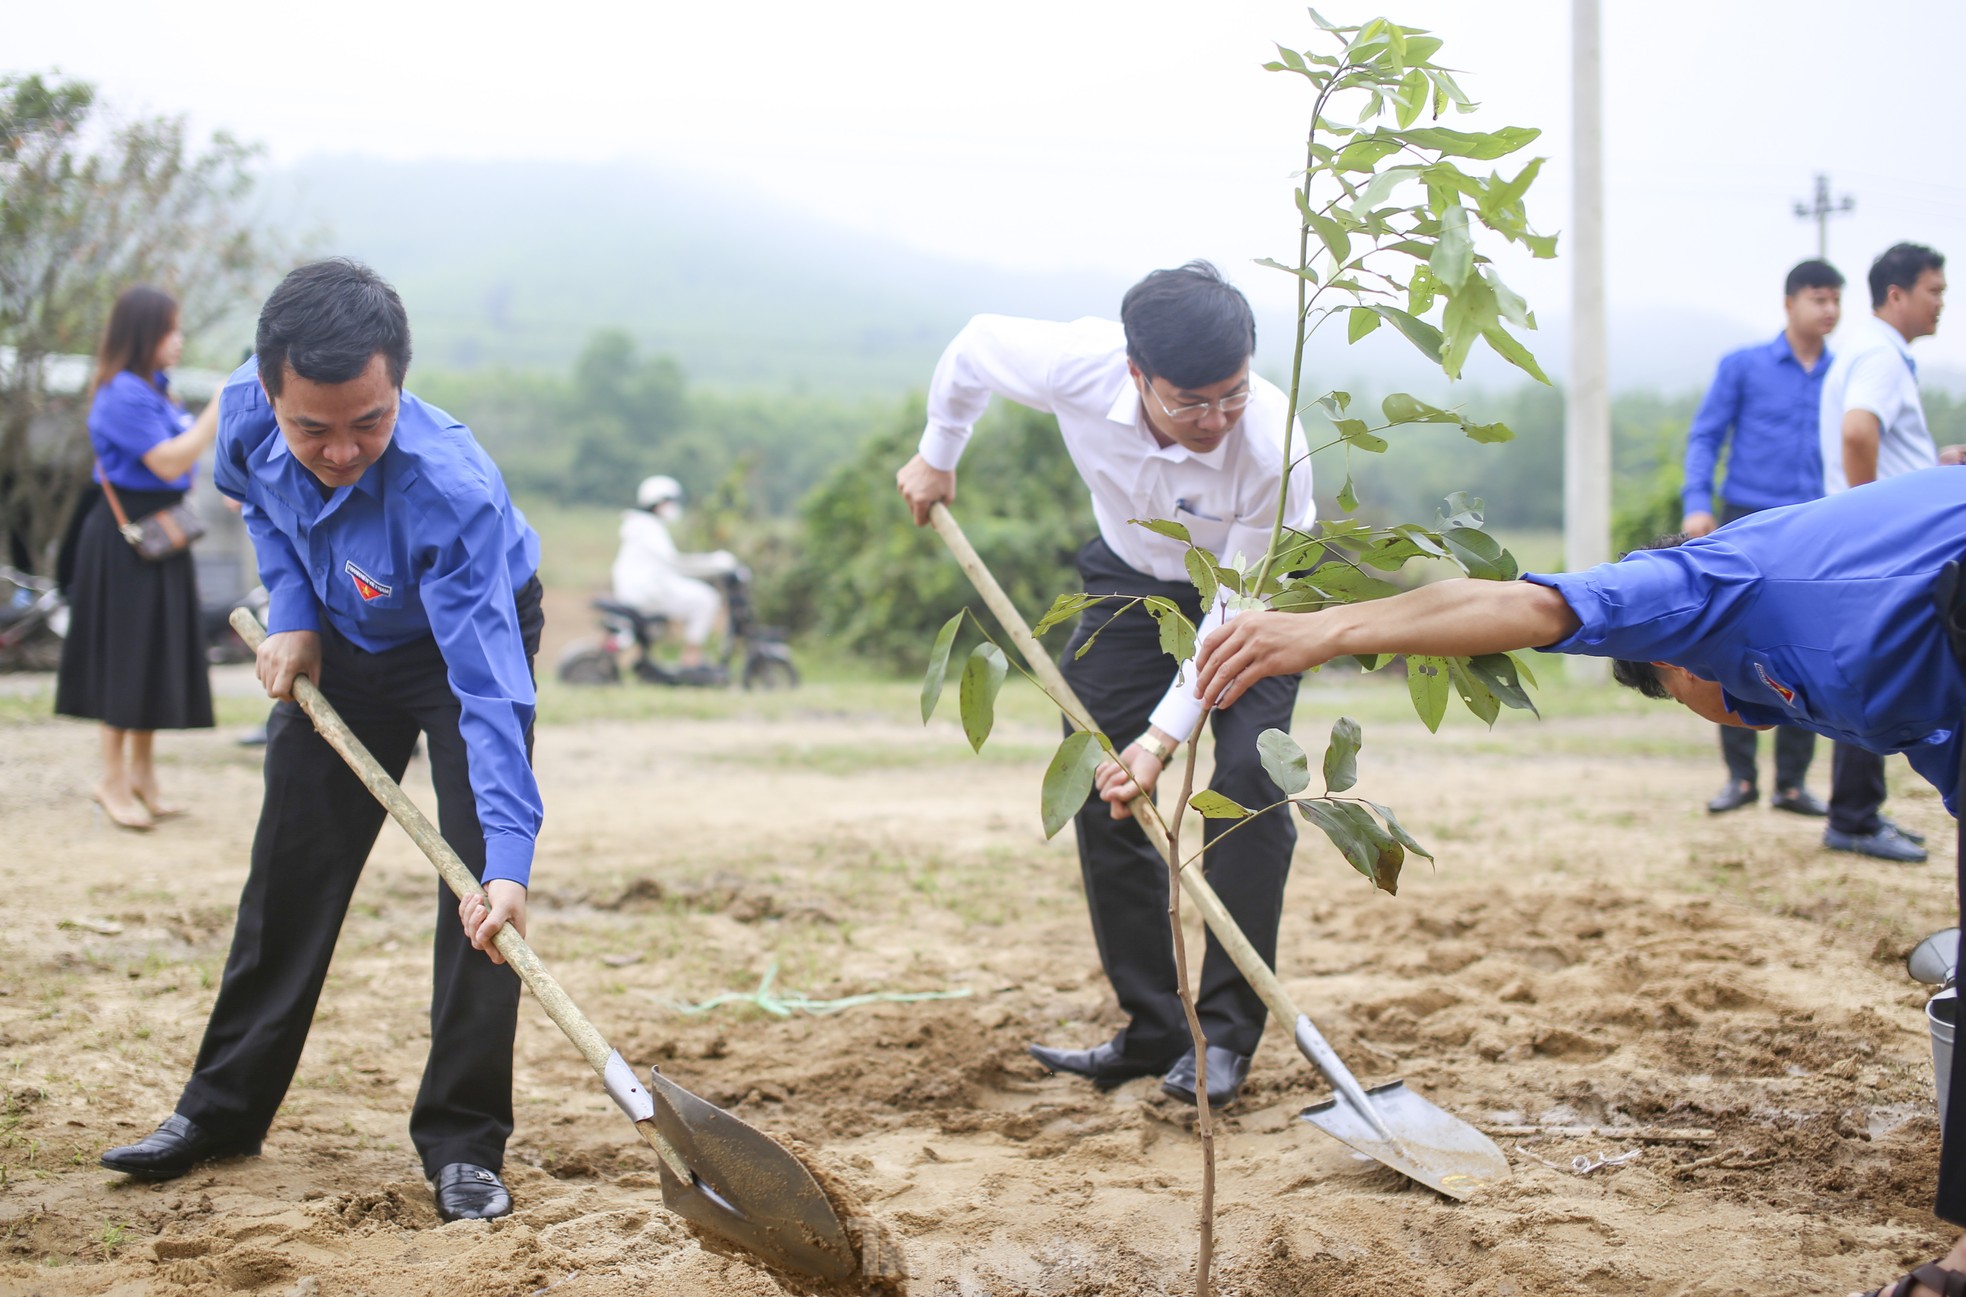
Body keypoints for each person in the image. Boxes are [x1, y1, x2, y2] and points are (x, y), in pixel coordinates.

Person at [1190, 469, 1966, 1297]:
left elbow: (1520, 605)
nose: (1730, 712)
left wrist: (1328, 629)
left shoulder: (1706, 583)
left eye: (1675, 694)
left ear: (1673, 654)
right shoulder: (1853, 697)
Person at [98, 259, 545, 1226]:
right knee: (288, 869)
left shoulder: (451, 491)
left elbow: (491, 690)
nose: (342, 451)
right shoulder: (243, 422)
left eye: (368, 422)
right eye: (313, 428)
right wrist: (294, 608)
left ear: (398, 387)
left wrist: (508, 860)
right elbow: (263, 505)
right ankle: (218, 1111)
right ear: (269, 394)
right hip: (338, 636)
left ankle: (464, 1143)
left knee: (478, 896)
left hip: (459, 641)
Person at [895, 261, 1314, 1107]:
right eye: (1190, 401)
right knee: (1103, 782)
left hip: (1250, 601)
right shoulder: (1078, 365)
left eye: (1230, 395)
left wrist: (1163, 739)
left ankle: (1225, 1037)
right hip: (1127, 581)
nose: (1215, 419)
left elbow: (1233, 615)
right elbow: (974, 348)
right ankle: (1155, 1027)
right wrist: (937, 455)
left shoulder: (1274, 446)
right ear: (1137, 374)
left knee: (1249, 783)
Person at [1817, 243, 1966, 865]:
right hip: (1894, 547)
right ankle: (1852, 816)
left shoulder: (1867, 350)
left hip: (1885, 537)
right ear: (1897, 294)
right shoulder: (1880, 353)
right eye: (1934, 290)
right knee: (1879, 676)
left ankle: (1861, 812)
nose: (1942, 303)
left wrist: (1930, 469)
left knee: (1883, 674)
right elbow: (1858, 431)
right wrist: (1879, 518)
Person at [1680, 259, 1843, 819]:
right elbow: (1706, 435)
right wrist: (1697, 505)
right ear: (1790, 303)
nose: (1829, 310)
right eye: (1819, 299)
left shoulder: (1841, 374)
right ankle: (1740, 778)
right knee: (1733, 640)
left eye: (1835, 300)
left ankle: (1792, 784)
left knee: (1809, 643)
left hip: (1816, 521)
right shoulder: (1744, 366)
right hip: (1744, 515)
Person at [54, 286, 218, 830]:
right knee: (125, 652)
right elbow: (170, 463)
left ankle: (144, 776)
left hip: (162, 534)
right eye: (171, 330)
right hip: (127, 538)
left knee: (151, 652)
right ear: (144, 333)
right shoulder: (122, 393)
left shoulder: (158, 392)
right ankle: (111, 778)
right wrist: (215, 412)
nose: (179, 340)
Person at [609, 473, 736, 680]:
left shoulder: (642, 525)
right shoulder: (648, 529)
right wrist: (716, 562)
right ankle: (691, 659)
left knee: (699, 596)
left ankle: (686, 659)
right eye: (671, 502)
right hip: (649, 592)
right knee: (706, 599)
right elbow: (675, 563)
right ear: (658, 502)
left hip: (646, 588)